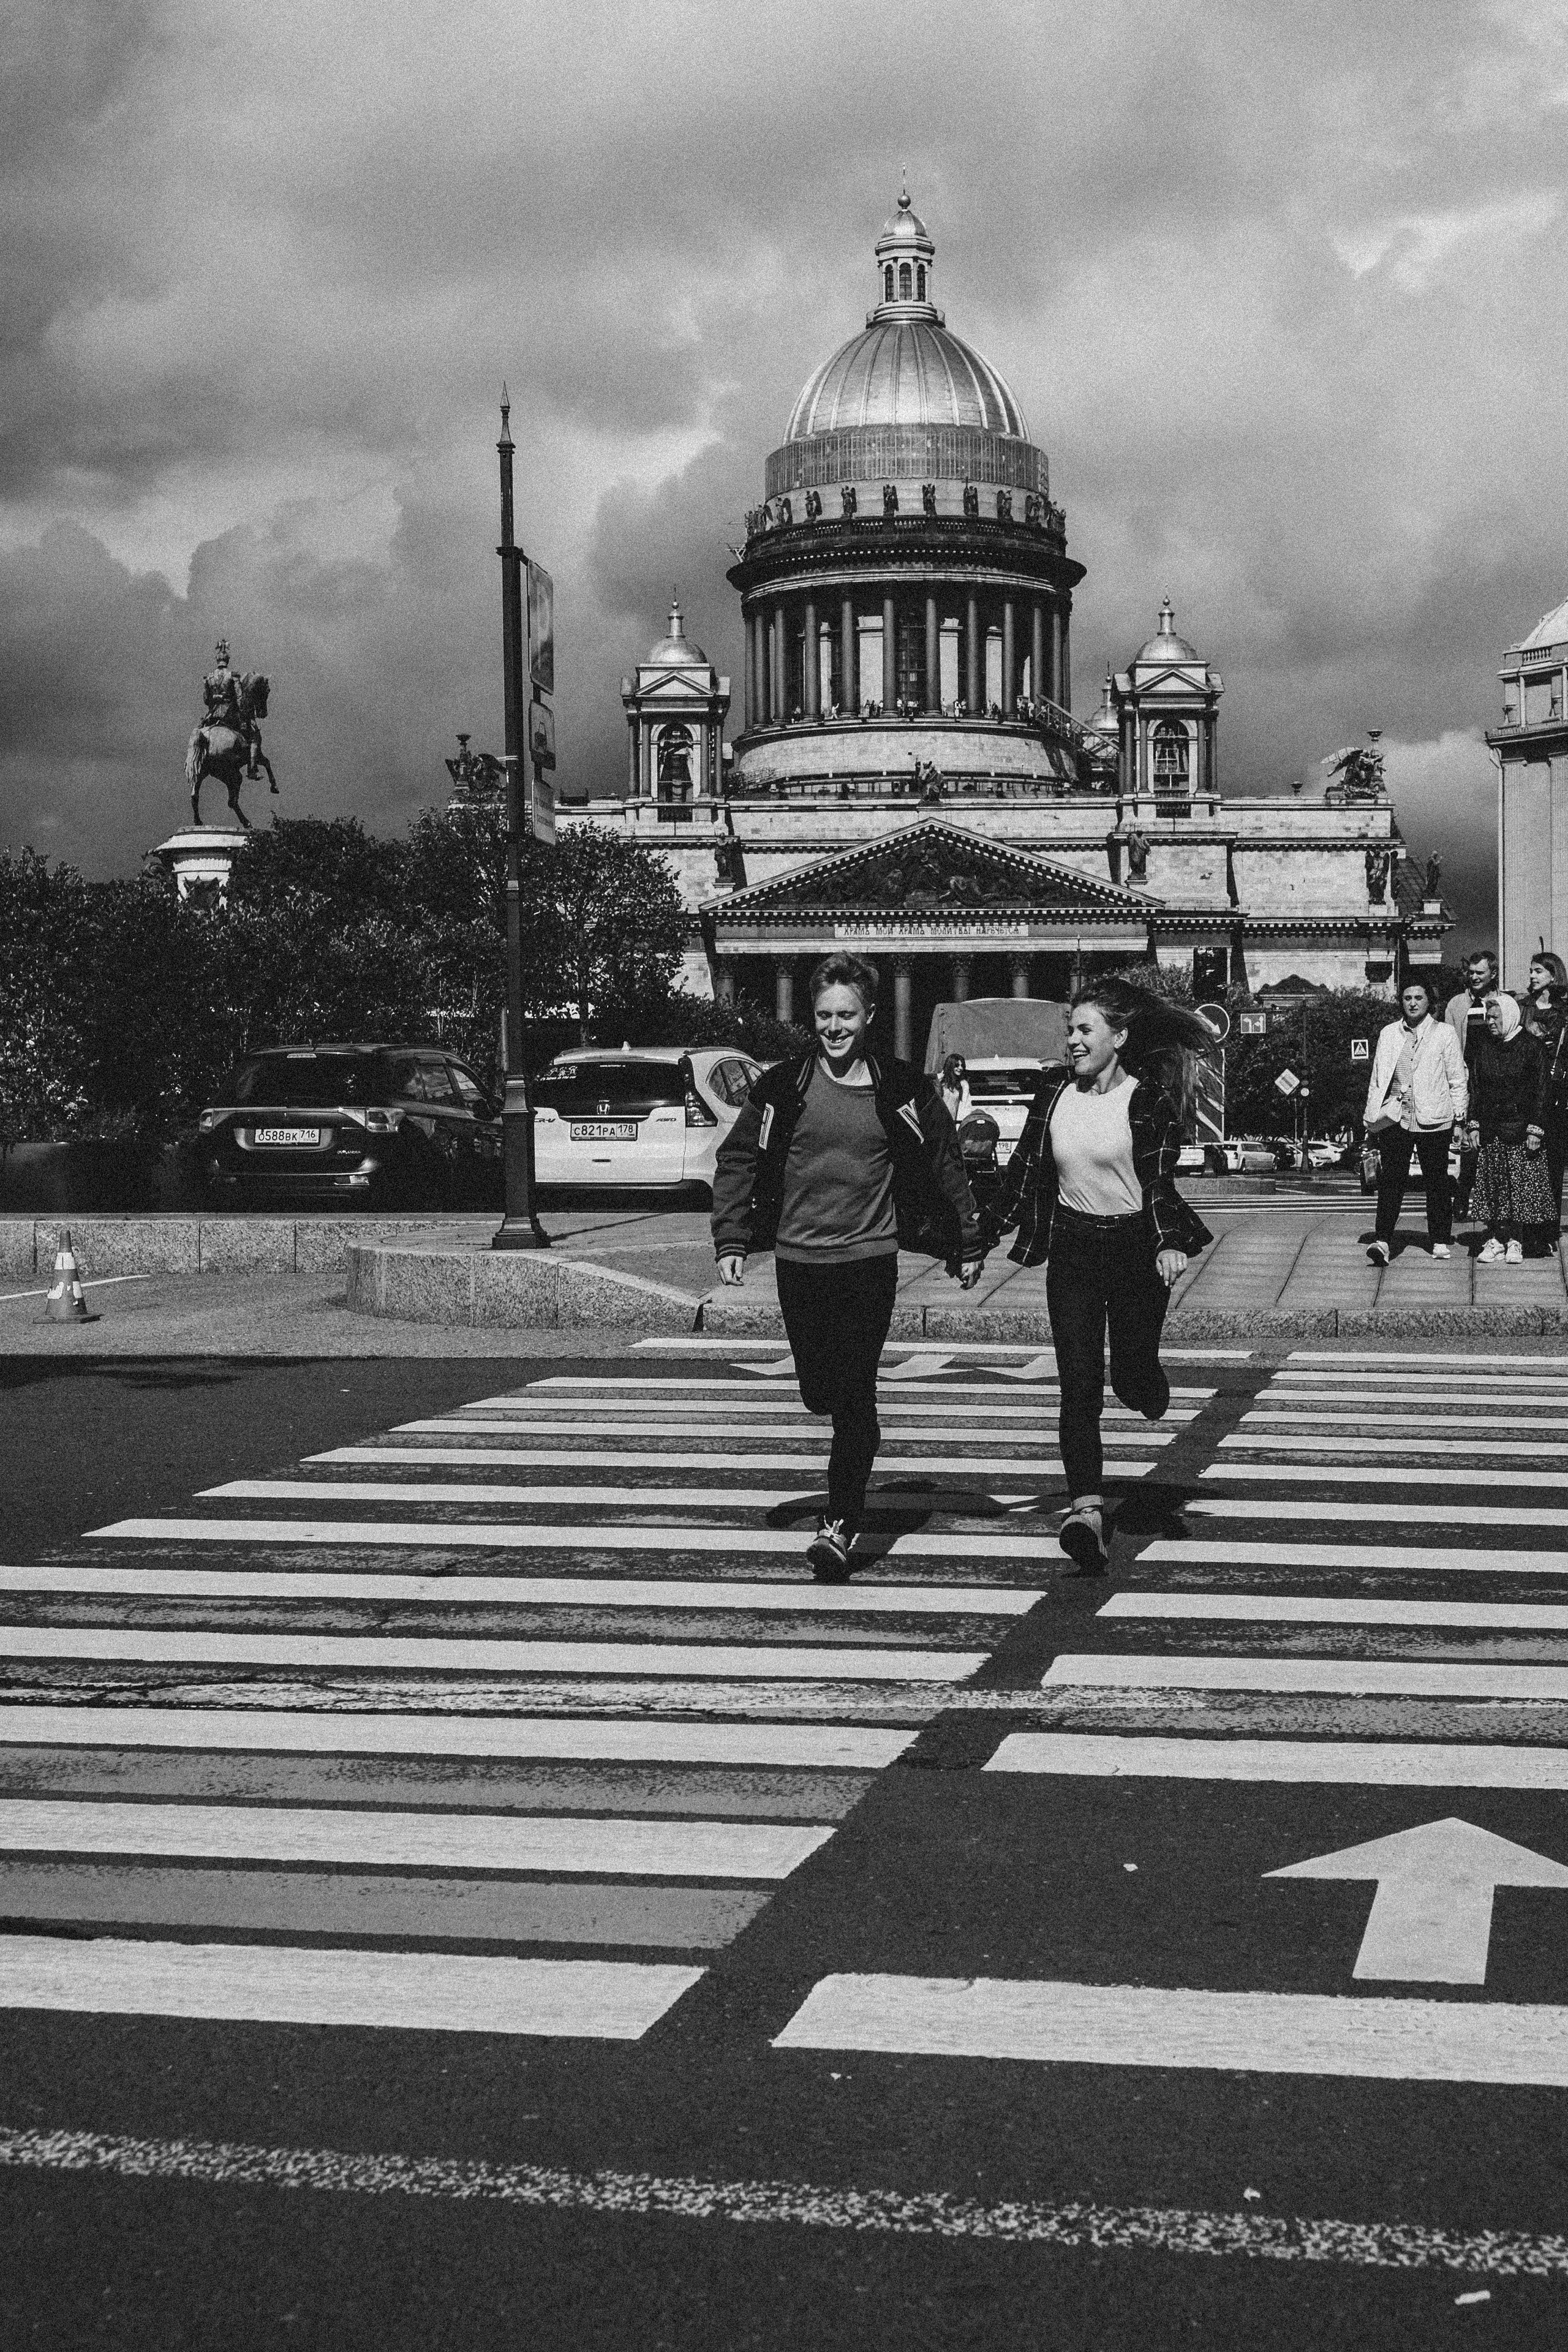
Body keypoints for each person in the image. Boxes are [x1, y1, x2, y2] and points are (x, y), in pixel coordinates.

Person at [710, 952, 982, 1581]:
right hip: (799, 1260)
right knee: (818, 1393)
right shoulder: (783, 1087)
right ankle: (847, 1446)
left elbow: (943, 1159)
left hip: (868, 1259)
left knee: (855, 1394)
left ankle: (839, 1524)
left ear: (869, 1018)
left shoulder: (901, 1087)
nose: (834, 1027)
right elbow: (738, 1161)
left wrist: (966, 1239)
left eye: (846, 1016)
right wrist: (731, 1239)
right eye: (824, 1015)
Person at [983, 978, 1215, 1577]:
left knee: (1132, 1381)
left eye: (1085, 1030)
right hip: (1075, 1251)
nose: (1073, 1041)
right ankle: (1086, 1513)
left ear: (1119, 1037)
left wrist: (1167, 1242)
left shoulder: (1145, 1099)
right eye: (1071, 1031)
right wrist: (975, 1240)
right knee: (1079, 1384)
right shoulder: (1053, 1096)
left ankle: (1146, 1382)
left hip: (1137, 1250)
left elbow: (1159, 1182)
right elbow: (1020, 1177)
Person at [1364, 975, 1468, 1264]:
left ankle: (1439, 1239)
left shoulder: (1445, 1034)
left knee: (1436, 1181)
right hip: (1396, 1117)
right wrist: (1371, 1119)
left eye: (1418, 998)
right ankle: (1383, 1240)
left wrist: (1460, 1119)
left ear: (1429, 1002)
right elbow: (1377, 1078)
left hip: (1434, 1117)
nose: (1412, 1003)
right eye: (1407, 998)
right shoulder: (1389, 1033)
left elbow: (1457, 1079)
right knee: (1391, 1181)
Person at [1469, 992, 1551, 1264]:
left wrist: (1535, 1128)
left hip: (1521, 1130)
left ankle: (1516, 1241)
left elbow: (1541, 1090)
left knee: (1520, 1191)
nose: (1490, 1022)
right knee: (1495, 1189)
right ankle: (1495, 1240)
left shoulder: (1532, 1047)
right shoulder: (1484, 1047)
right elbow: (1477, 1089)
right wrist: (1474, 1124)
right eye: (1488, 1017)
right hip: (1493, 1130)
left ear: (1511, 1016)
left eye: (1495, 1017)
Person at [1445, 949, 1497, 1223]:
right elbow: (1450, 1046)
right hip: (1467, 1079)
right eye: (1472, 972)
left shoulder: (1503, 1002)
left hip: (1495, 1079)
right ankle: (1463, 1197)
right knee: (1467, 1142)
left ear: (1493, 974)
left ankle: (1492, 1201)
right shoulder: (1456, 1005)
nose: (1475, 977)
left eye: (1481, 972)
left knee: (1492, 1140)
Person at [1524, 951, 1568, 1254]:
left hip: (1558, 1097)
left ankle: (1548, 1230)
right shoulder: (1522, 1008)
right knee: (1527, 1165)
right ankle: (1525, 1228)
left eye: (1538, 971)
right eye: (1531, 971)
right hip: (1526, 1095)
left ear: (1553, 975)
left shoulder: (1565, 1012)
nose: (1532, 976)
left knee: (1552, 1168)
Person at [939, 1053, 974, 1126]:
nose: (960, 1068)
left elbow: (965, 1105)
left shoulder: (963, 1084)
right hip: (938, 1121)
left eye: (962, 1066)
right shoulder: (939, 1082)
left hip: (953, 1123)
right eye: (957, 1066)